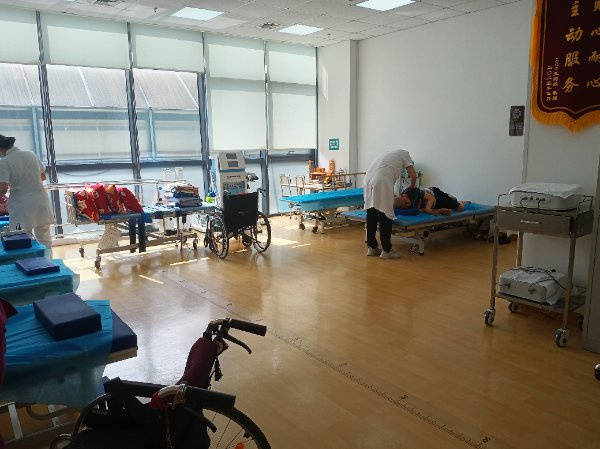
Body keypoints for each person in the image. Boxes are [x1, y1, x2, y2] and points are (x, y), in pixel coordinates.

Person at [0, 135, 54, 255]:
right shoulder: (31, 154)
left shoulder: (5, 162)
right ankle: (48, 263)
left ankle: (30, 264)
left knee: (22, 238)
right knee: (45, 238)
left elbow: (3, 189)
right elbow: (43, 176)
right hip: (40, 202)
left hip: (21, 207)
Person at [364, 150, 417, 259]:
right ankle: (387, 251)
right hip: (382, 179)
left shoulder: (388, 155)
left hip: (368, 179)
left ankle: (372, 247)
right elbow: (413, 175)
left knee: (372, 211)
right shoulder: (405, 154)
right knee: (386, 213)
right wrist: (411, 188)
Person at [395, 186, 466, 215]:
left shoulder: (411, 191)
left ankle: (459, 201)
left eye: (406, 202)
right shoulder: (406, 208)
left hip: (435, 195)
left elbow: (431, 197)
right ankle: (450, 198)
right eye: (405, 206)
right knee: (447, 210)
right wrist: (439, 211)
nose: (407, 205)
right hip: (433, 205)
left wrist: (428, 209)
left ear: (403, 196)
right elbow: (422, 210)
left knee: (460, 208)